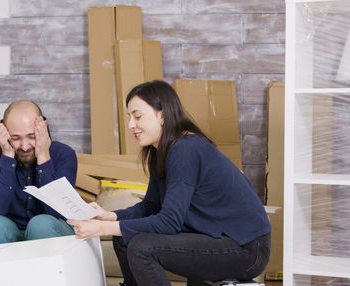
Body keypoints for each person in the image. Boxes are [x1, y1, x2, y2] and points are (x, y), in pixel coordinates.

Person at [68, 80, 271, 286]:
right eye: (129, 117)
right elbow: (151, 207)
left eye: (137, 116)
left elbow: (169, 222)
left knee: (141, 247)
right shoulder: (162, 152)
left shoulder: (186, 149)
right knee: (124, 238)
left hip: (246, 248)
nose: (131, 125)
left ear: (162, 115)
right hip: (216, 238)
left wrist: (103, 228)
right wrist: (110, 216)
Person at [0, 100, 77, 246]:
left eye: (32, 136)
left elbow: (60, 212)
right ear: (4, 130)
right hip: (11, 229)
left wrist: (43, 156)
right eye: (15, 138)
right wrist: (7, 156)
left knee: (41, 224)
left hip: (51, 228)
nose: (24, 146)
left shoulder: (64, 154)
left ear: (44, 127)